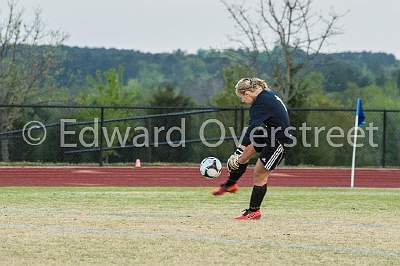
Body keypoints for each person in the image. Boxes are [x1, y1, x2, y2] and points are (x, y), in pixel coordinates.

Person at [212, 77, 291, 220]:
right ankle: (230, 185)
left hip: (279, 140)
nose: (242, 101)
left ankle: (254, 211)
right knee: (242, 158)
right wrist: (240, 153)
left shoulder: (261, 103)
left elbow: (251, 129)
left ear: (247, 93)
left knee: (259, 173)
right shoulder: (264, 95)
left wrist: (237, 151)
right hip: (269, 133)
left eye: (242, 97)